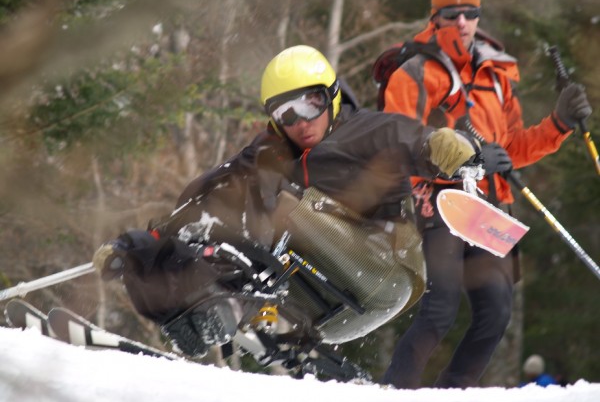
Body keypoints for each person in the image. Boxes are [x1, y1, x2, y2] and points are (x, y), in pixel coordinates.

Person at [92, 45, 481, 363]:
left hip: (384, 270)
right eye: (286, 113)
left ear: (331, 96)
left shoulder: (369, 131)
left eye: (311, 104)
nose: (301, 122)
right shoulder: (271, 152)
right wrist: (146, 242)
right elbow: (207, 196)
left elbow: (415, 141)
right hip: (325, 305)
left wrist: (447, 147)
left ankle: (234, 301)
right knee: (232, 195)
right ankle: (195, 311)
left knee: (276, 204)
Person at [377, 0, 592, 389]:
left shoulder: (495, 75)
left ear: (479, 17)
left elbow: (513, 148)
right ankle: (393, 393)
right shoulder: (416, 73)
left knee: (496, 313)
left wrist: (559, 123)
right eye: (451, 14)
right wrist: (466, 158)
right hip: (442, 201)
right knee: (440, 308)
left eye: (470, 13)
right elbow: (397, 143)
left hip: (491, 206)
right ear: (434, 17)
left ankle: (451, 393)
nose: (462, 22)